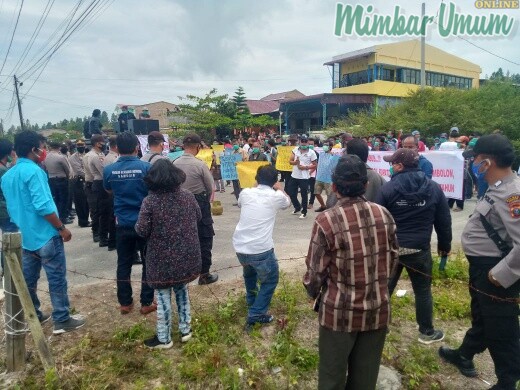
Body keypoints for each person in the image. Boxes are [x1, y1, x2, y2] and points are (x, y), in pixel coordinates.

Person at [304, 154, 398, 390]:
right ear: (365, 185)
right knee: (365, 379)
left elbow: (315, 273)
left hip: (339, 314)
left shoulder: (326, 220)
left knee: (331, 377)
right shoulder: (383, 214)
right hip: (377, 310)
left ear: (334, 187)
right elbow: (393, 257)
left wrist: (313, 292)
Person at [439, 134, 520, 390]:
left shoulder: (512, 195)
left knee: (501, 327)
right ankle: (465, 353)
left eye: (475, 158)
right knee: (483, 317)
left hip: (495, 271)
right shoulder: (496, 187)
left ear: (487, 161)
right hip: (482, 269)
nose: (473, 162)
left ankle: (507, 381)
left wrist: (501, 274)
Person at [1, 130, 85, 334]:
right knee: (56, 278)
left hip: (24, 236)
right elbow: (43, 206)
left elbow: (12, 206)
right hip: (45, 234)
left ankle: (34, 315)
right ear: (33, 149)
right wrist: (61, 228)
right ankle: (61, 318)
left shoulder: (8, 174)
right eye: (42, 147)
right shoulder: (34, 171)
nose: (44, 151)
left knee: (28, 280)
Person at [376, 148, 452, 344]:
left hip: (392, 249)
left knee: (383, 289)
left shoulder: (387, 189)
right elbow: (443, 220)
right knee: (423, 291)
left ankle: (379, 328)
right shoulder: (433, 188)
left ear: (400, 166)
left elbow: (376, 220)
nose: (390, 167)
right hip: (419, 249)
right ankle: (427, 332)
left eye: (392, 163)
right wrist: (445, 246)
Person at [135, 160, 201, 348]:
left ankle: (164, 338)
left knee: (163, 297)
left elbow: (141, 230)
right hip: (188, 256)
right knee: (182, 292)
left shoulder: (150, 201)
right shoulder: (188, 196)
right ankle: (185, 329)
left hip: (161, 260)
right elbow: (198, 217)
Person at [103, 131, 156, 315]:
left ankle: (125, 303)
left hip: (122, 223)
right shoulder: (146, 168)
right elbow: (152, 193)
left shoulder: (109, 170)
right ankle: (146, 302)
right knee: (148, 261)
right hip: (144, 223)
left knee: (123, 263)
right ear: (137, 147)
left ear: (117, 148)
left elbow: (109, 190)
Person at [233, 165, 290, 330]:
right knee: (270, 279)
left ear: (256, 179)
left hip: (240, 246)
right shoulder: (276, 196)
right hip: (261, 249)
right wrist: (279, 188)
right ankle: (256, 313)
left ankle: (252, 303)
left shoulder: (245, 193)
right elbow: (287, 203)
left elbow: (240, 203)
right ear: (275, 181)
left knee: (249, 274)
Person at [173, 134, 218, 285]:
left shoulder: (174, 163)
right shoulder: (199, 165)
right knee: (205, 238)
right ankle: (204, 274)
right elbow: (210, 187)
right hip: (199, 203)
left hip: (178, 205)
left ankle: (182, 274)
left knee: (181, 239)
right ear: (198, 147)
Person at [87, 135, 110, 248]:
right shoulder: (94, 156)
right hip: (99, 184)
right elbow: (103, 172)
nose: (104, 144)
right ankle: (100, 235)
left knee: (104, 211)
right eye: (102, 142)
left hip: (99, 183)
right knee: (100, 211)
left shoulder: (99, 154)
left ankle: (102, 235)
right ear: (97, 143)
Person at [288, 136, 317, 219]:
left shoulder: (311, 152)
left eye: (305, 142)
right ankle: (297, 206)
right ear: (299, 143)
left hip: (304, 177)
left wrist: (305, 168)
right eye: (302, 142)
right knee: (291, 192)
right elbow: (290, 161)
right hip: (294, 175)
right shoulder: (295, 150)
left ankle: (304, 211)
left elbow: (315, 165)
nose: (303, 144)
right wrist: (295, 162)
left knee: (304, 194)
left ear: (307, 143)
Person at [45, 141, 73, 225]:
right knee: (63, 199)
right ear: (59, 148)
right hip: (61, 179)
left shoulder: (46, 157)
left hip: (51, 179)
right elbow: (67, 169)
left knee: (56, 199)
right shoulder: (60, 157)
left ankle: (58, 216)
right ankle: (63, 217)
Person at [101, 136, 118, 251]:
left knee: (111, 217)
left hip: (110, 190)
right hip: (114, 191)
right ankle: (112, 242)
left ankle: (112, 242)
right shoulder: (114, 159)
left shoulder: (107, 157)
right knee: (113, 217)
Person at [68, 140, 90, 228]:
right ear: (76, 147)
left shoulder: (86, 155)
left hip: (86, 180)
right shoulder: (73, 157)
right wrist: (89, 176)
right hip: (78, 181)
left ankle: (86, 220)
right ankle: (83, 221)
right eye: (79, 146)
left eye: (82, 145)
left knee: (86, 202)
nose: (81, 147)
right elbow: (79, 170)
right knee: (80, 202)